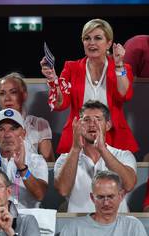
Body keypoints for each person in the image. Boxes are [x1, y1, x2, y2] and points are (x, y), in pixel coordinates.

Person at [40, 18, 138, 154]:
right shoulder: (71, 68)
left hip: (113, 137)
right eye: (87, 38)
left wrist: (119, 65)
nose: (92, 43)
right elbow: (60, 104)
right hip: (79, 138)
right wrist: (53, 80)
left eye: (98, 38)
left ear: (109, 43)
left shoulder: (122, 68)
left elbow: (124, 95)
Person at [54, 100, 137, 212]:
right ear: (79, 125)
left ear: (108, 125)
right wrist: (75, 149)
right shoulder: (64, 159)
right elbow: (63, 190)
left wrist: (102, 150)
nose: (92, 124)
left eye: (98, 119)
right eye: (86, 120)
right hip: (79, 224)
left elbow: (129, 185)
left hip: (116, 225)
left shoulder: (124, 155)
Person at [0, 72, 54, 161]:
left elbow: (48, 163)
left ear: (24, 95)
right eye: (2, 93)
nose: (7, 98)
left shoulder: (39, 124)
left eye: (13, 92)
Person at [59, 171, 147, 236]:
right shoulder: (73, 228)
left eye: (111, 196)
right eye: (100, 197)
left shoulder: (133, 225)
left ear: (121, 196)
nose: (106, 203)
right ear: (93, 198)